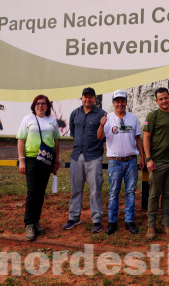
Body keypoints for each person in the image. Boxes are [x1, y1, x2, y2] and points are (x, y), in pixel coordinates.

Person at [97, 90, 145, 235]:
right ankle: (112, 222)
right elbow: (99, 137)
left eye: (122, 101)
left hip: (131, 161)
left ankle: (129, 221)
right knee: (114, 192)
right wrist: (101, 125)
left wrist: (142, 157)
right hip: (114, 161)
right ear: (113, 103)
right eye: (117, 101)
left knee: (130, 191)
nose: (120, 104)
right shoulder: (107, 118)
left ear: (126, 102)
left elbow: (138, 138)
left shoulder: (132, 118)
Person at [17, 94, 60, 241]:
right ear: (34, 106)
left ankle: (36, 222)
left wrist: (56, 161)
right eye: (37, 104)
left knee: (41, 192)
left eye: (43, 104)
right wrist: (21, 160)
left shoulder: (52, 121)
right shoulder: (28, 119)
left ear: (48, 106)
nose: (40, 106)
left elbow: (56, 141)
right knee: (32, 191)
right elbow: (21, 140)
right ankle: (29, 224)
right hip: (31, 159)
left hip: (47, 160)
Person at [64, 87, 106, 234]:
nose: (88, 99)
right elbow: (74, 134)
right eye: (85, 97)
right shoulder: (75, 113)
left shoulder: (101, 114)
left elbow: (103, 136)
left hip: (94, 156)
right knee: (75, 189)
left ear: (95, 99)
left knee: (95, 190)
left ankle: (96, 220)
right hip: (77, 156)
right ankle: (74, 217)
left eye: (91, 97)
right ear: (81, 98)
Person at [143, 87, 169, 240]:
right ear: (156, 101)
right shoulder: (153, 116)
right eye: (161, 99)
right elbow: (146, 138)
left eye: (166, 98)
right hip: (157, 163)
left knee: (168, 195)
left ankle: (166, 224)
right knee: (153, 195)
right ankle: (151, 225)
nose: (164, 101)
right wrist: (148, 159)